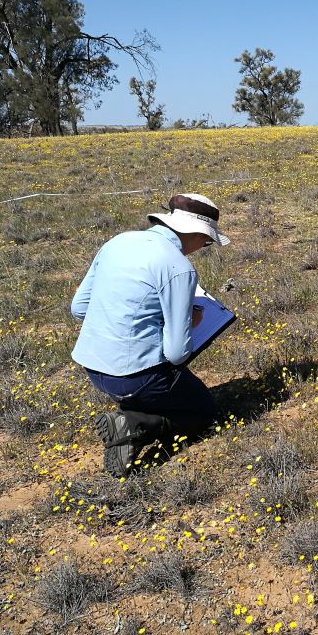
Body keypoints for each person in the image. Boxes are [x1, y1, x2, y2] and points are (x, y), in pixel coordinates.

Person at [70, 193, 231, 477]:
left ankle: (134, 412)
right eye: (206, 242)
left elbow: (79, 308)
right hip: (137, 377)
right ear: (195, 232)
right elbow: (177, 353)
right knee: (204, 412)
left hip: (93, 369)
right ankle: (134, 425)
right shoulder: (177, 267)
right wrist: (187, 321)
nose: (202, 248)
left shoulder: (117, 242)